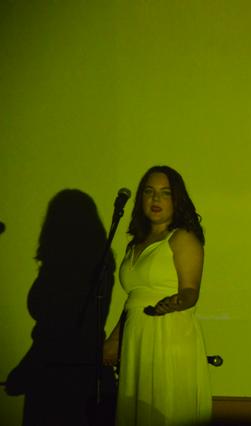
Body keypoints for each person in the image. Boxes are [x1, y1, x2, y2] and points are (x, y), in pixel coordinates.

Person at [103, 166, 211, 425]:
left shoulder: (182, 238)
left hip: (169, 334)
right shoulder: (135, 244)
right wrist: (115, 338)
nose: (156, 199)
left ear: (177, 200)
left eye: (165, 193)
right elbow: (134, 300)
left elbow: (190, 291)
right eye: (149, 192)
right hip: (137, 336)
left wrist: (176, 302)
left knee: (165, 407)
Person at [6, 189, 116, 426]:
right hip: (85, 372)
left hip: (56, 376)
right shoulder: (100, 262)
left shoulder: (63, 269)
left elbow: (58, 330)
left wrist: (25, 371)